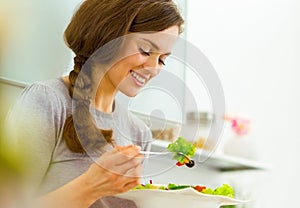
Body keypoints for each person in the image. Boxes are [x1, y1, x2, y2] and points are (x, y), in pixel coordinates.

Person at [6, 0, 184, 207]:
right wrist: (90, 185)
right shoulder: (48, 101)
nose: (153, 68)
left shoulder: (138, 133)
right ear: (108, 37)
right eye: (145, 50)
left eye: (162, 60)